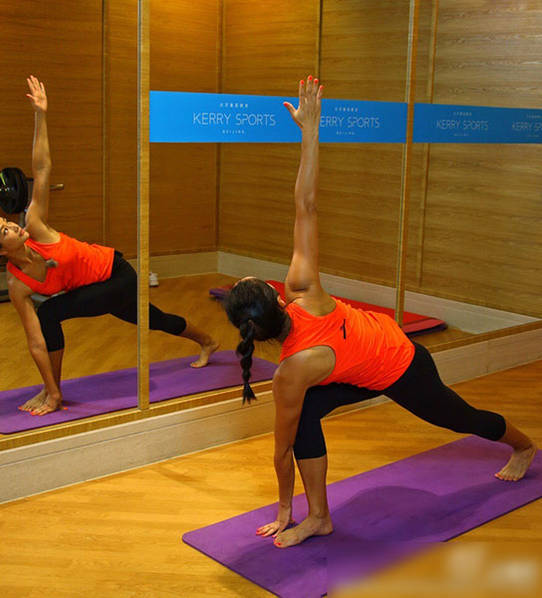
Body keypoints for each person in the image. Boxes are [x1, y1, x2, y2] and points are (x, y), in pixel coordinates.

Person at [223, 75, 537, 549]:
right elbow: (306, 206)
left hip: (401, 364)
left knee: (460, 418)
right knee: (304, 416)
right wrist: (311, 131)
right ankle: (319, 518)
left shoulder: (291, 365)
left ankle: (523, 444)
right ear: (276, 297)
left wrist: (310, 132)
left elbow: (280, 452)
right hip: (355, 366)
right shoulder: (302, 296)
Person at [0, 76, 219, 416]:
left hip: (116, 274)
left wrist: (41, 115)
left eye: (6, 222)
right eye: (4, 231)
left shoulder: (35, 226)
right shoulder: (17, 284)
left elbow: (42, 168)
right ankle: (207, 341)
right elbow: (36, 341)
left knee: (50, 312)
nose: (12, 225)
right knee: (152, 319)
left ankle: (55, 394)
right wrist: (47, 384)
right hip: (97, 289)